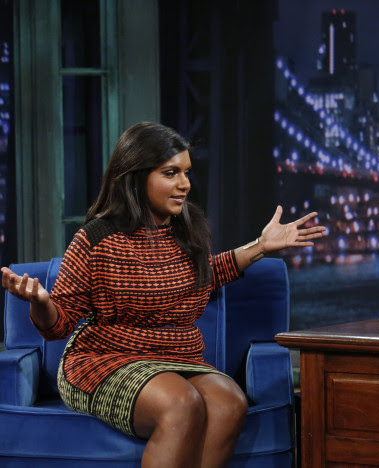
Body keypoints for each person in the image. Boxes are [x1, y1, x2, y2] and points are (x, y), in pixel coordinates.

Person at [1, 122, 326, 468]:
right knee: (181, 404)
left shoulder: (187, 228)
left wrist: (261, 246)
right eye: (170, 173)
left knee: (230, 403)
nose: (184, 184)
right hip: (105, 359)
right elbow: (59, 325)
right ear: (136, 176)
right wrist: (41, 302)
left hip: (178, 356)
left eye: (186, 172)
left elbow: (206, 275)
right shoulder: (96, 239)